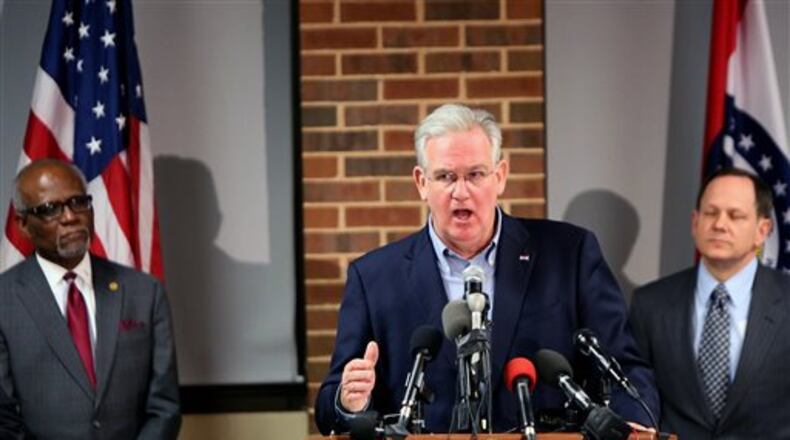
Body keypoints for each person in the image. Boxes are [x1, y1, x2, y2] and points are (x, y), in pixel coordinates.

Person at [314, 104, 658, 434]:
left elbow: (622, 369)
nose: (461, 192)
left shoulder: (569, 255)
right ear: (421, 183)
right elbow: (330, 407)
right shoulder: (374, 278)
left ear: (500, 176)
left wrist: (628, 427)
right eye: (446, 176)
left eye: (475, 175)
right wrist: (349, 401)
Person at [0, 159, 181, 439]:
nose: (70, 217)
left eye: (78, 202)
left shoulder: (144, 292)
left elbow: (164, 407)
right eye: (50, 209)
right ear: (23, 223)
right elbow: (3, 419)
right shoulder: (5, 300)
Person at [630, 168, 790, 439]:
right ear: (695, 222)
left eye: (735, 215)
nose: (719, 224)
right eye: (710, 213)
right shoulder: (650, 304)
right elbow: (636, 395)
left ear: (762, 230)